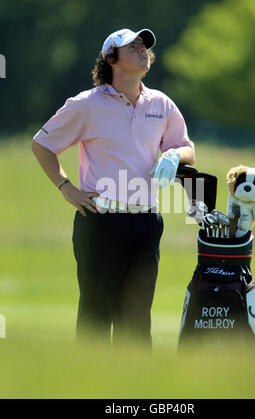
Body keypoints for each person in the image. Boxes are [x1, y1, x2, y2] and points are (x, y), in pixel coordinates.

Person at [31, 28, 195, 348]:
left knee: (136, 320)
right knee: (95, 316)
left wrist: (174, 154)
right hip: (101, 220)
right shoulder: (86, 105)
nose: (142, 50)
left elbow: (186, 146)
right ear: (111, 59)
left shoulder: (160, 103)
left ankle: (133, 392)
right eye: (132, 47)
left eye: (144, 46)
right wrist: (66, 187)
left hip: (147, 221)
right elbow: (42, 145)